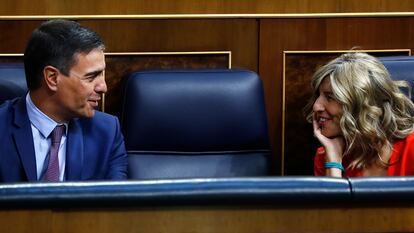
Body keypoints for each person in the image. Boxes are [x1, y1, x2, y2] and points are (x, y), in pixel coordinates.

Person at [0, 19, 128, 182]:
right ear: (52, 78)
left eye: (102, 74)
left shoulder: (107, 133)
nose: (103, 87)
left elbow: (116, 203)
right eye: (91, 77)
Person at [306, 52, 414, 177]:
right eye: (319, 96)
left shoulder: (411, 148)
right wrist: (334, 162)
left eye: (330, 97)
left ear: (362, 104)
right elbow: (332, 196)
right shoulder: (327, 154)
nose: (316, 106)